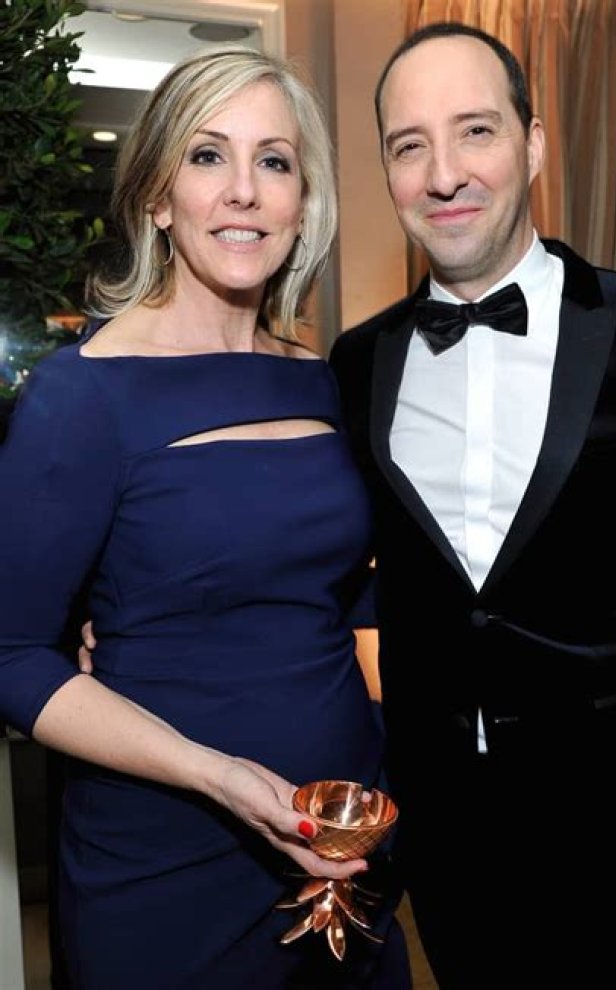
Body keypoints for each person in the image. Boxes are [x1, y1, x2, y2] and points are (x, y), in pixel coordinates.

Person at [0, 43, 411, 989]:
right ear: (157, 196)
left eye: (275, 161)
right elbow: (12, 654)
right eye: (207, 155)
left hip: (344, 841)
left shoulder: (320, 378)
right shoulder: (83, 395)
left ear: (303, 202)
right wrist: (216, 774)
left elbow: (329, 589)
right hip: (167, 862)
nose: (244, 191)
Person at [329, 21, 616, 990]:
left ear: (534, 145)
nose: (444, 174)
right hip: (453, 839)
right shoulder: (358, 364)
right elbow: (342, 564)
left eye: (476, 131)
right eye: (409, 145)